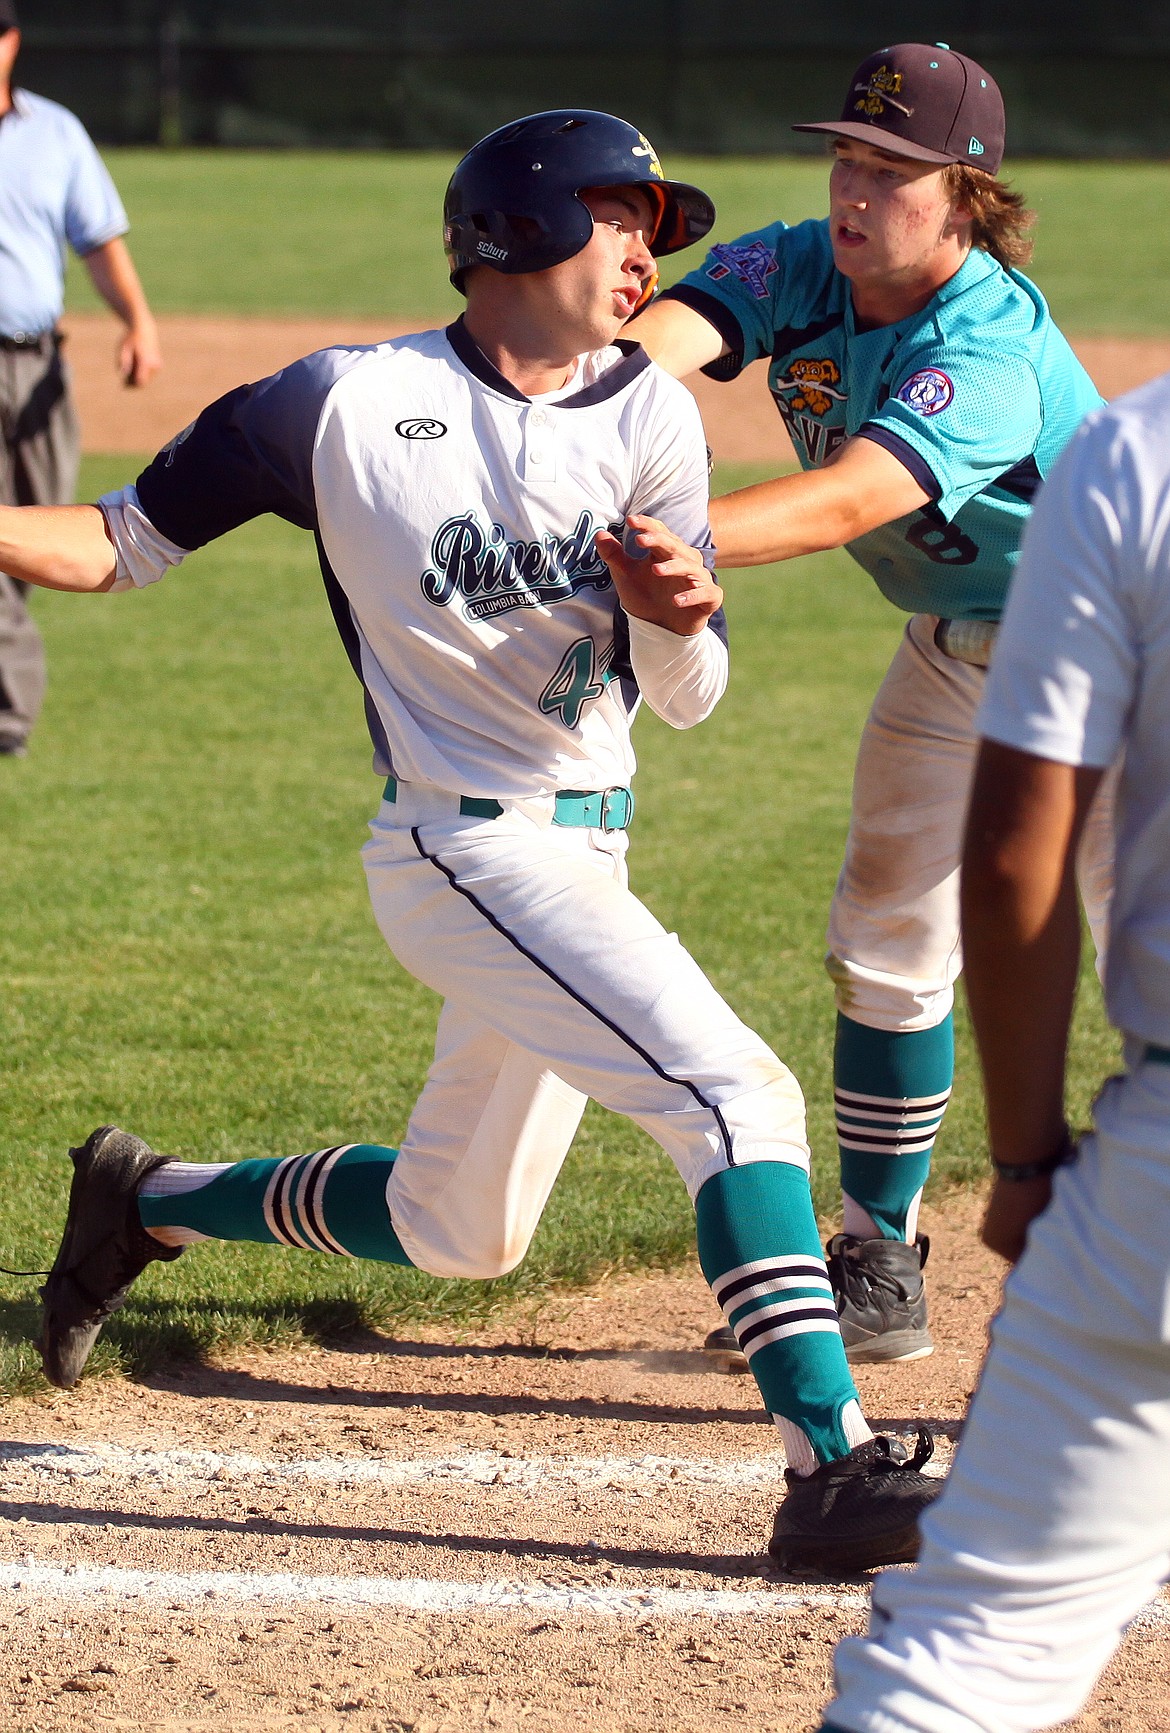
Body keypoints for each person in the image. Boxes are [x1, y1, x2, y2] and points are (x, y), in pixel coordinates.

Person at [4, 111, 938, 1573]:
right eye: (620, 216)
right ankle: (829, 1469)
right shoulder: (337, 404)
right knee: (735, 1098)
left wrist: (679, 616)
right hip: (461, 851)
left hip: (590, 848)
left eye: (654, 226)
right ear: (515, 227)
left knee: (462, 1225)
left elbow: (689, 701)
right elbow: (113, 545)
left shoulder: (649, 417)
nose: (646, 252)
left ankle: (148, 1195)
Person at [632, 41, 1110, 1364]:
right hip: (961, 649)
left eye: (892, 170)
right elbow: (659, 342)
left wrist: (695, 541)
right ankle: (879, 1256)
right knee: (886, 932)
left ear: (965, 192)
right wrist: (570, 404)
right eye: (845, 157)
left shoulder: (986, 343)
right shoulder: (800, 262)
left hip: (1129, 648)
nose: (854, 190)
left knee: (1146, 956)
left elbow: (860, 491)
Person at [815, 370, 1170, 1730]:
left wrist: (1023, 1163)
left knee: (957, 1667)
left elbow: (1016, 846)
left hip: (1156, 1182)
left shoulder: (1127, 452)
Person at [0, 0, 160, 757]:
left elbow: (97, 238)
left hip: (39, 365)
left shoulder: (55, 132)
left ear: (12, 41)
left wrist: (137, 319)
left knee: (41, 527)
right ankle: (7, 723)